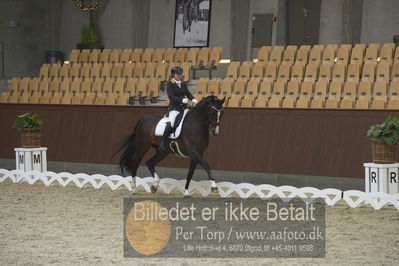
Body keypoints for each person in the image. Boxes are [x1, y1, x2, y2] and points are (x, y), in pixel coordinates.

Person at [159, 66, 198, 151]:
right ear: (173, 74)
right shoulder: (170, 84)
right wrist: (182, 100)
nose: (179, 75)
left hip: (184, 108)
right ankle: (163, 141)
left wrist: (194, 99)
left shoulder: (183, 84)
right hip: (174, 108)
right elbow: (171, 97)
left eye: (180, 74)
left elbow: (188, 93)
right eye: (177, 74)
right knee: (172, 122)